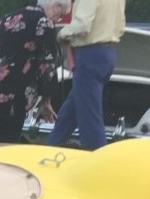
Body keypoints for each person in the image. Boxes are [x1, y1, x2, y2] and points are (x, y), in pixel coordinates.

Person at [0, 0, 71, 143]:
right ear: (56, 7)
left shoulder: (7, 18)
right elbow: (48, 65)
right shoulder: (45, 24)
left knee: (0, 137)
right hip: (11, 98)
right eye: (60, 15)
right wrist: (46, 99)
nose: (58, 19)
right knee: (7, 141)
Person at [46, 0, 125, 150]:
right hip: (107, 52)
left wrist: (62, 34)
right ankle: (50, 147)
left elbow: (82, 25)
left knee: (89, 119)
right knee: (72, 110)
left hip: (89, 53)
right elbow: (120, 25)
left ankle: (97, 158)